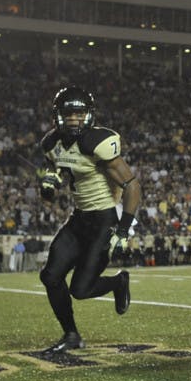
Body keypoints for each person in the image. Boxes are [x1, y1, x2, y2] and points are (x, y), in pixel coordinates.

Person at [38, 86, 138, 354]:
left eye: (79, 114)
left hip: (103, 219)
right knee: (50, 276)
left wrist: (124, 228)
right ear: (58, 116)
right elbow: (54, 166)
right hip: (79, 218)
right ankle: (71, 334)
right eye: (68, 114)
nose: (73, 120)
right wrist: (49, 181)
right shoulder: (51, 143)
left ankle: (118, 282)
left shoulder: (98, 142)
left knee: (80, 290)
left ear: (89, 115)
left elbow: (131, 185)